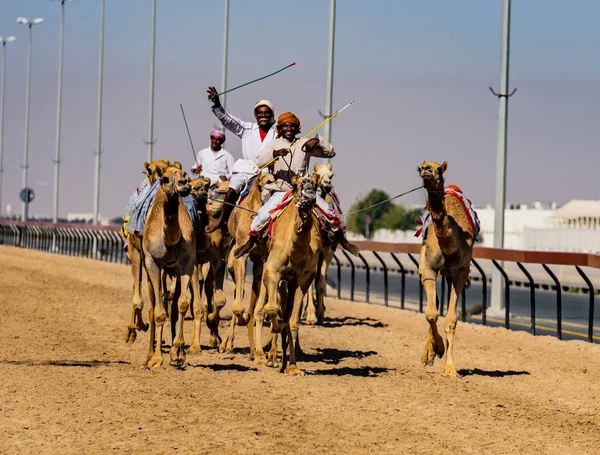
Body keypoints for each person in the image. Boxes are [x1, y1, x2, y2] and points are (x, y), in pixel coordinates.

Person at [234, 111, 359, 257]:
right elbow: (259, 162)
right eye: (285, 126)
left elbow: (330, 153)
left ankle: (343, 242)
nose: (288, 129)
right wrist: (274, 155)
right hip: (281, 189)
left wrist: (317, 140)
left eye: (292, 126)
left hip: (303, 189)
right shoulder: (273, 144)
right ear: (280, 129)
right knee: (261, 217)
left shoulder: (304, 143)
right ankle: (250, 243)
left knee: (329, 211)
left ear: (297, 128)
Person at [204, 85, 277, 233]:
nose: (263, 116)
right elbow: (227, 119)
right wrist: (217, 104)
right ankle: (222, 220)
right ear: (256, 115)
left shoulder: (278, 130)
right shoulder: (246, 128)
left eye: (266, 113)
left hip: (268, 172)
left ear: (271, 115)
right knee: (234, 185)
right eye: (260, 113)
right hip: (247, 170)